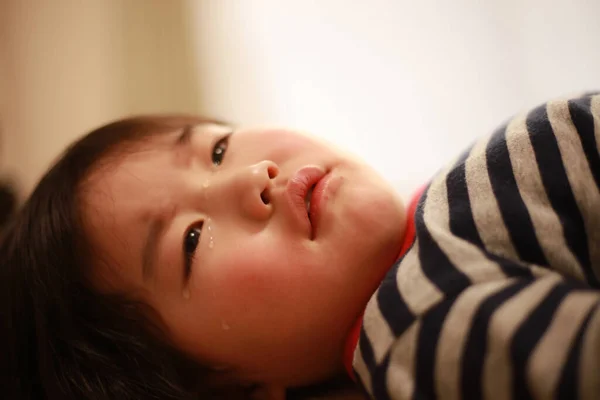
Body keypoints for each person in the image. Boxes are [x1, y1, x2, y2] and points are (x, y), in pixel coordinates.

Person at [1, 91, 599, 400]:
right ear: (237, 391)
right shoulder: (425, 326)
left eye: (214, 150)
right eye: (190, 239)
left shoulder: (436, 222)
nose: (247, 177)